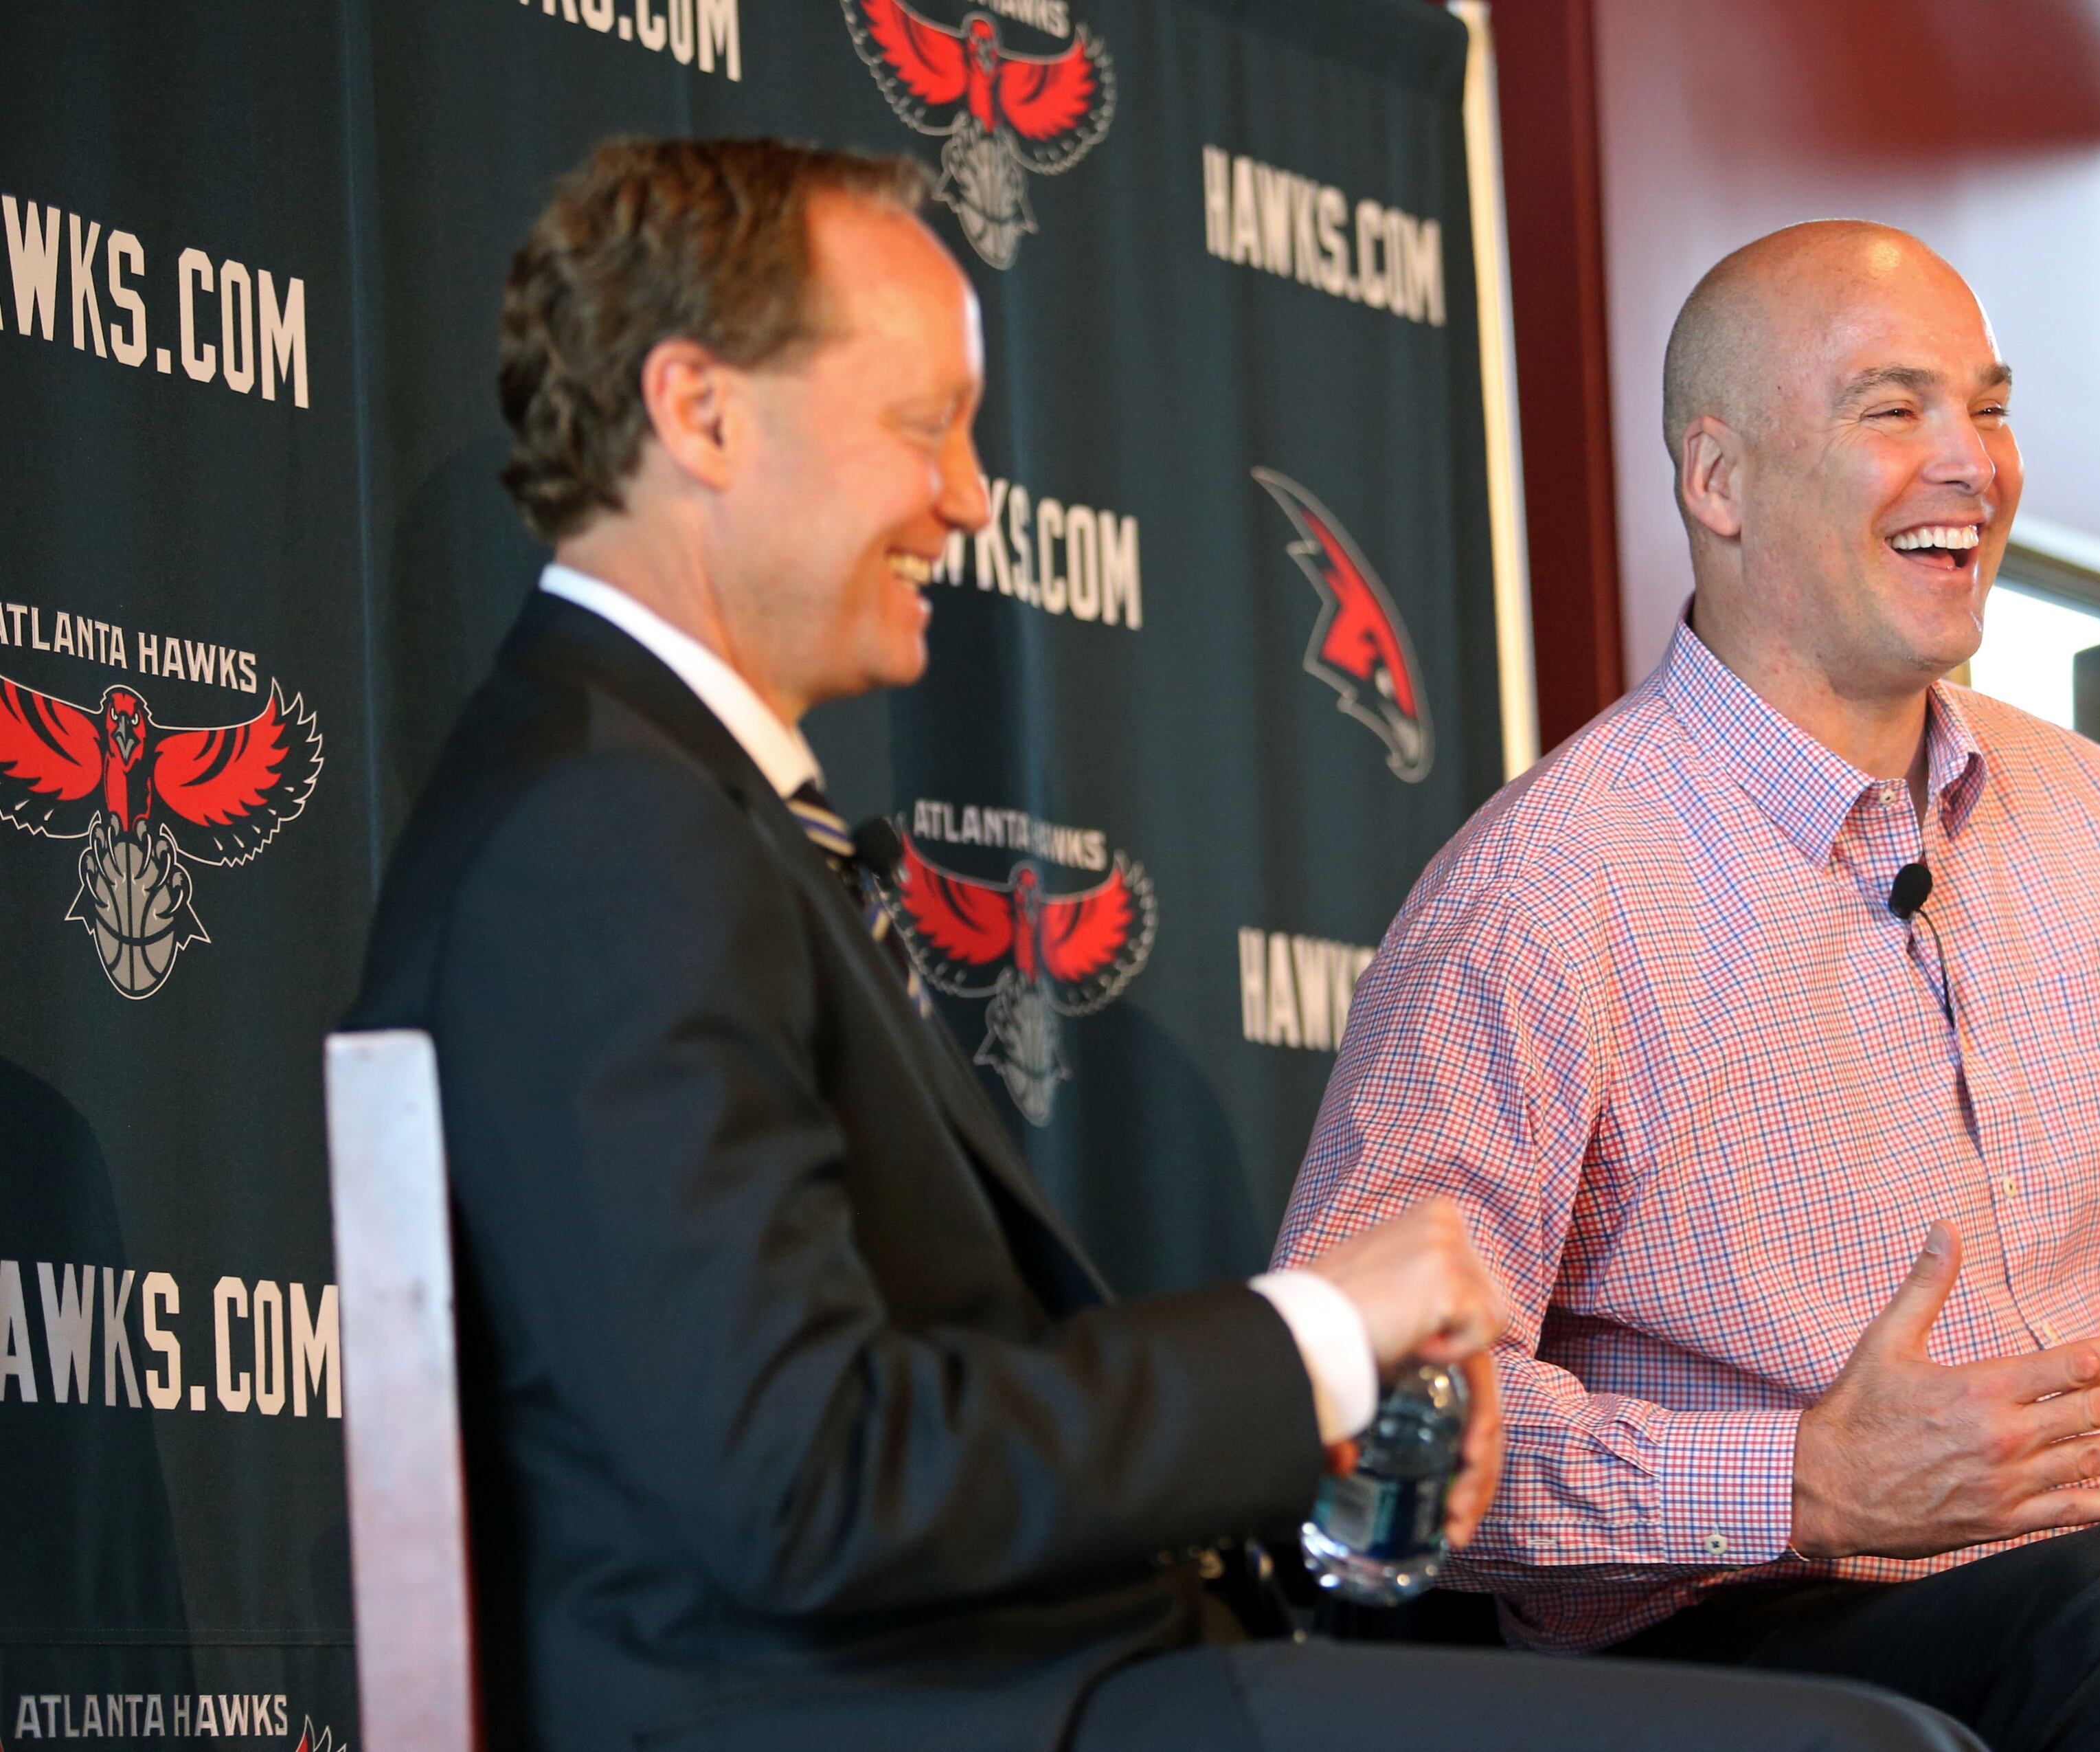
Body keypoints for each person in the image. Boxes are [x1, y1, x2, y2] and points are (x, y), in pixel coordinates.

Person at [344, 141, 1983, 1752]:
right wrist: (1319, 1338)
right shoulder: (603, 835)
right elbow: (803, 1478)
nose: (969, 498)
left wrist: (1322, 1418)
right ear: (701, 414)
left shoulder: (656, 804)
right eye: (924, 427)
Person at [1272, 220, 2100, 1752]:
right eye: (1891, 410)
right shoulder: (1539, 899)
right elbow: (1371, 1431)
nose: (1970, 463)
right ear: (1717, 481)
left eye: (1987, 407)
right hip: (1763, 1646)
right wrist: (1804, 1476)